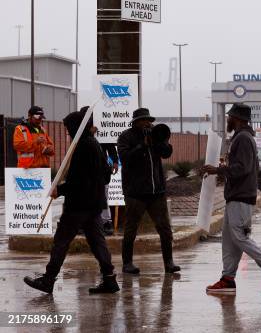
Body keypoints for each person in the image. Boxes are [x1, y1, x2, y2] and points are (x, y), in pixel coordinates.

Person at [23, 110, 119, 294]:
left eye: (68, 130)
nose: (67, 133)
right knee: (97, 242)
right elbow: (105, 174)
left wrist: (61, 190)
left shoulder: (82, 146)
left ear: (76, 128)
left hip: (79, 205)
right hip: (94, 203)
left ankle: (48, 280)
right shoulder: (95, 144)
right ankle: (109, 279)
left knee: (61, 241)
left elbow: (79, 180)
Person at [203, 103, 261, 294]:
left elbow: (242, 168)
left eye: (229, 117)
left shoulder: (243, 139)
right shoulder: (242, 138)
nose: (228, 121)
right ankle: (227, 279)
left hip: (241, 197)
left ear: (237, 118)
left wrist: (218, 170)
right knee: (229, 238)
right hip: (237, 196)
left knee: (239, 237)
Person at [117, 108, 180, 275]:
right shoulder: (126, 137)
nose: (147, 123)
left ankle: (169, 262)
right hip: (135, 193)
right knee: (131, 229)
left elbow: (167, 153)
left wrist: (160, 141)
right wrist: (141, 146)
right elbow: (124, 158)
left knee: (165, 228)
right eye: (144, 120)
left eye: (149, 120)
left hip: (156, 193)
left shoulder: (154, 135)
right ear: (136, 122)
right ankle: (127, 263)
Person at [80, 106, 118, 235]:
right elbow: (79, 145)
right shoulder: (79, 131)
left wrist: (115, 161)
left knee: (103, 196)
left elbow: (110, 145)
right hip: (85, 169)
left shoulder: (102, 128)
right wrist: (89, 133)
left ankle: (106, 222)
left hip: (101, 169)